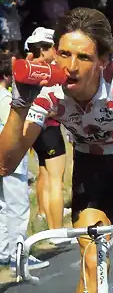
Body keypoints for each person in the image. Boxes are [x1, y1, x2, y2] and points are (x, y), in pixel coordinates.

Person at [0, 8, 113, 293]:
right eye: (64, 54)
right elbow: (6, 164)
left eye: (84, 57)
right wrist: (19, 107)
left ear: (103, 60)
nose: (70, 66)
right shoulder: (48, 89)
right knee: (92, 258)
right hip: (93, 162)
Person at [24, 27, 71, 245]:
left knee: (43, 172)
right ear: (46, 49)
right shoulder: (51, 71)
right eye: (55, 47)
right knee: (55, 180)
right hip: (48, 126)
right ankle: (57, 232)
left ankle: (44, 217)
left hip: (32, 126)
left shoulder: (30, 68)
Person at [0, 52, 47, 270]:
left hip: (6, 160)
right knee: (17, 208)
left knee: (2, 207)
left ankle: (4, 252)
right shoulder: (5, 98)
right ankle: (18, 257)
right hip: (12, 162)